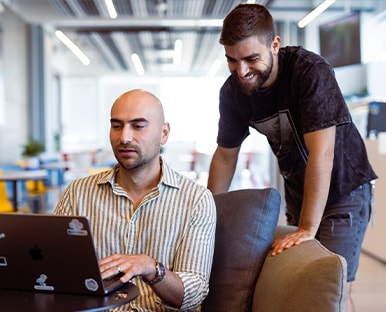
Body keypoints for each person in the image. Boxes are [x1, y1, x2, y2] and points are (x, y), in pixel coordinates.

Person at [207, 4, 377, 311]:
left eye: (251, 59)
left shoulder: (309, 71)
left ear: (275, 44)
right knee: (305, 281)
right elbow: (224, 157)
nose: (242, 71)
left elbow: (322, 153)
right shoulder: (233, 93)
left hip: (344, 190)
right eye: (232, 60)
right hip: (300, 193)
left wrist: (307, 229)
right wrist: (206, 218)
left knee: (335, 287)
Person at [55, 89, 216, 311]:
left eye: (138, 126)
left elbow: (193, 296)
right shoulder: (77, 193)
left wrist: (151, 268)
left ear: (164, 133)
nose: (124, 137)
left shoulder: (197, 200)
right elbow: (55, 273)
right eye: (117, 125)